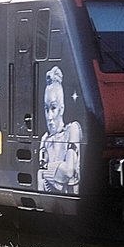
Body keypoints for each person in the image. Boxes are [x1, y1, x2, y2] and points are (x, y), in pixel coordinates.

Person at [38, 66, 82, 195]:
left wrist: (44, 172)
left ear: (61, 109)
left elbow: (68, 171)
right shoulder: (45, 139)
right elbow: (40, 185)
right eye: (46, 109)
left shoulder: (72, 130)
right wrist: (55, 170)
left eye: (53, 108)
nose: (49, 116)